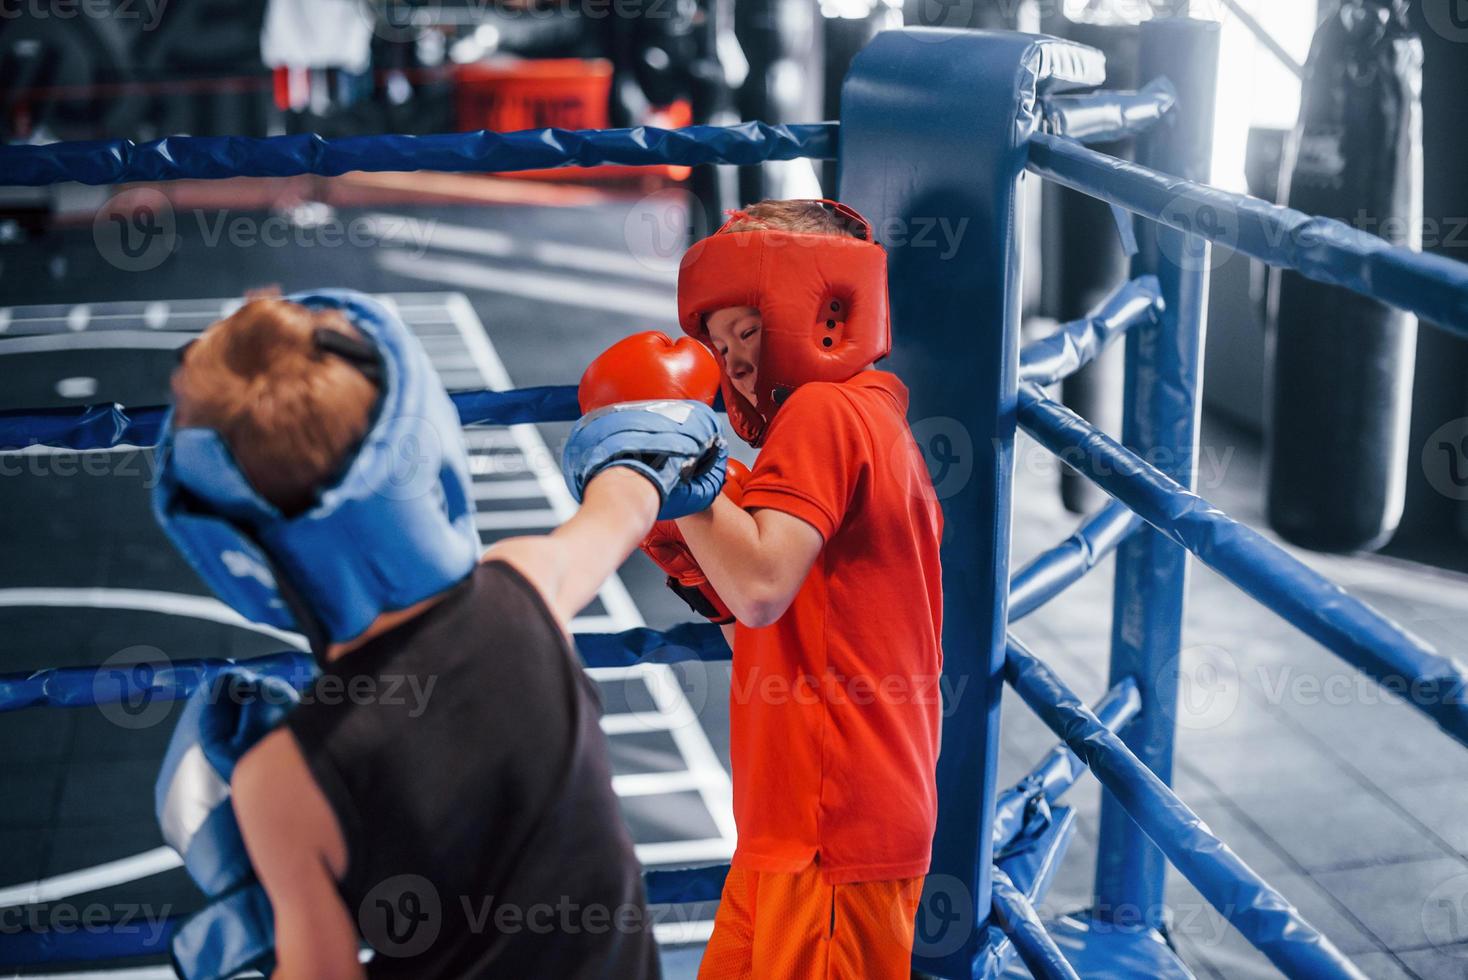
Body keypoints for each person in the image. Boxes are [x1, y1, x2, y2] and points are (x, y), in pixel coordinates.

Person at [150, 289, 726, 979]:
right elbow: (624, 504)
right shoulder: (527, 587)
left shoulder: (282, 782)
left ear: (229, 547)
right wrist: (652, 430)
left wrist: (260, 911)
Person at [646, 200, 945, 978]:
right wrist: (691, 550)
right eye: (718, 345)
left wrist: (677, 476)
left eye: (748, 332)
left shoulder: (826, 411)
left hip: (832, 837)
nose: (733, 362)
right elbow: (756, 616)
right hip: (796, 827)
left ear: (828, 312)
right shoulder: (858, 420)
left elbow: (761, 587)